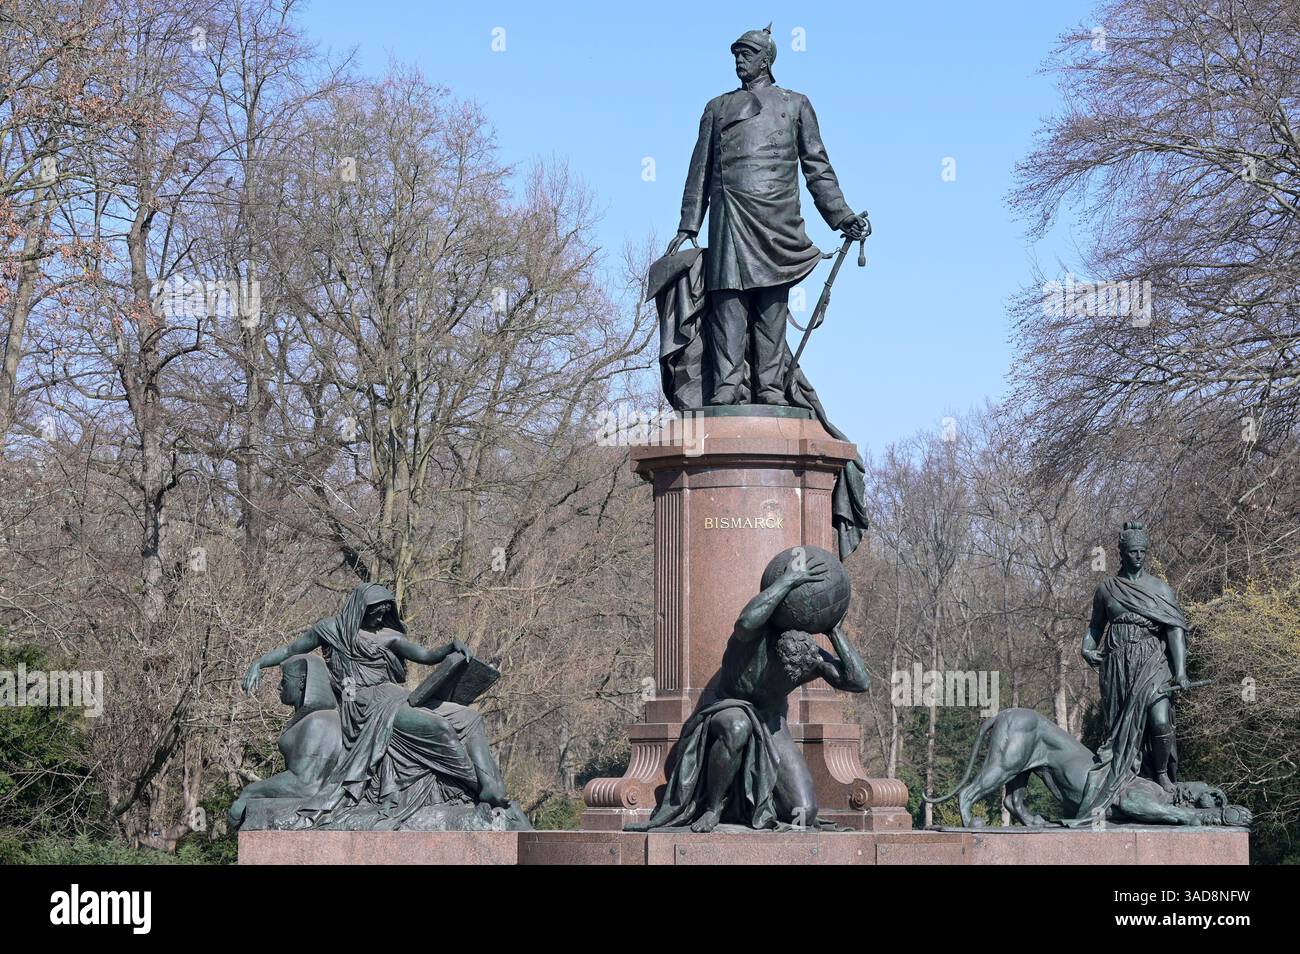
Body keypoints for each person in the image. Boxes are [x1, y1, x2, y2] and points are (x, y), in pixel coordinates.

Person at [665, 23, 868, 405]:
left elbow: (817, 169)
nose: (739, 61)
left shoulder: (795, 104)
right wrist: (689, 224)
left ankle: (770, 387)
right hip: (729, 217)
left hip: (777, 220)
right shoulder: (717, 108)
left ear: (766, 60)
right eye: (735, 55)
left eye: (746, 54)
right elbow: (699, 171)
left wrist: (842, 216)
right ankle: (727, 386)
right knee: (727, 303)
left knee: (771, 307)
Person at [633, 549, 869, 832]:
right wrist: (788, 581)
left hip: (770, 722)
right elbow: (745, 622)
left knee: (803, 812)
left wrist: (834, 631)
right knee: (737, 725)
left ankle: (747, 804)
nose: (794, 673)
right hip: (726, 707)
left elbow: (859, 682)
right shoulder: (752, 637)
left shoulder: (805, 654)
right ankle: (712, 807)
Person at [241, 583, 508, 828]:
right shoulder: (330, 629)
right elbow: (290, 650)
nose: (380, 617)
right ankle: (472, 784)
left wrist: (451, 648)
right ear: (360, 608)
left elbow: (426, 656)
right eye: (375, 612)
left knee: (470, 717)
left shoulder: (389, 636)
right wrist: (259, 664)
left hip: (395, 696)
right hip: (364, 704)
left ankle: (489, 787)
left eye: (384, 612)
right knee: (438, 727)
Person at [1074, 521, 1191, 821]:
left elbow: (1175, 630)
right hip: (1117, 668)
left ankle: (1162, 774)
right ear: (1122, 553)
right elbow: (1095, 627)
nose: (1138, 556)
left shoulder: (1159, 588)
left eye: (1142, 551)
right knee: (1121, 733)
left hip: (1152, 661)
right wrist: (1087, 647)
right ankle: (1124, 784)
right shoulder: (1107, 590)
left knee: (1159, 720)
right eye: (1132, 552)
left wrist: (1180, 672)